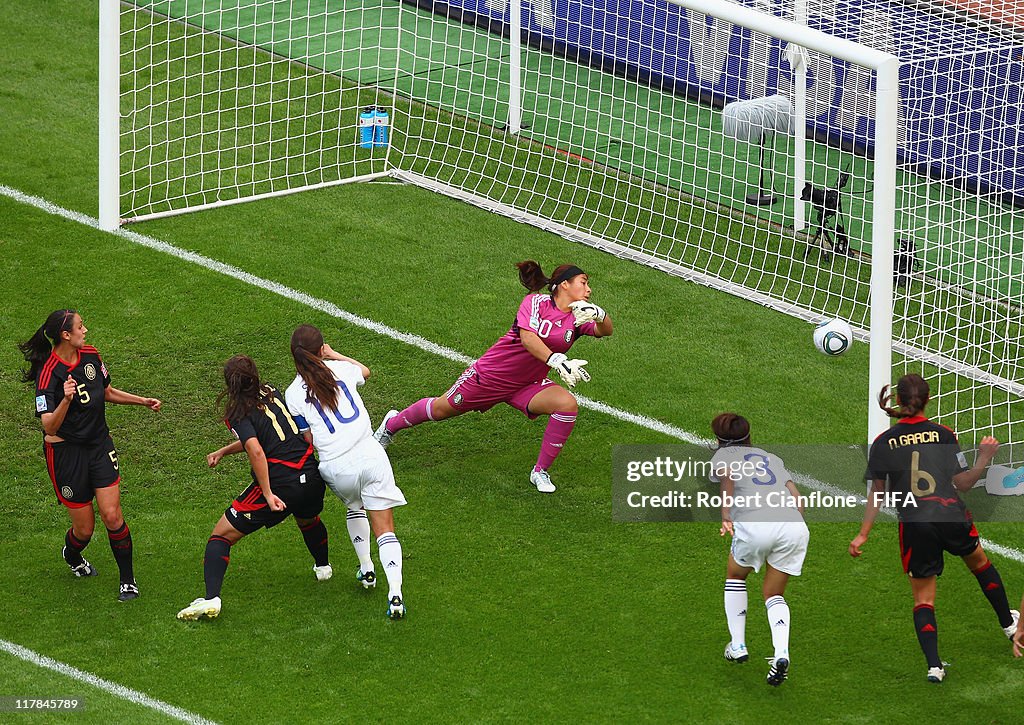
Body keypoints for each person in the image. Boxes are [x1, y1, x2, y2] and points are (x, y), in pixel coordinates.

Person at [374, 260, 613, 493]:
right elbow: (528, 338)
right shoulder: (535, 303)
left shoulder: (579, 317)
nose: (589, 289)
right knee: (440, 409)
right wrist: (555, 360)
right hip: (490, 376)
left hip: (527, 384)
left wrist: (600, 315)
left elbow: (605, 331)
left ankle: (540, 471)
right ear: (564, 285)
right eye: (583, 282)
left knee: (567, 404)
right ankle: (391, 425)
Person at [849, 373, 1019, 682]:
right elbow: (964, 484)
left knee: (924, 599)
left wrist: (863, 534)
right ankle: (1009, 624)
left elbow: (878, 493)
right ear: (927, 400)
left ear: (898, 401)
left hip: (916, 525)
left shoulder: (883, 443)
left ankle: (934, 666)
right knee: (981, 566)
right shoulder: (944, 434)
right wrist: (984, 456)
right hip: (951, 516)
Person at [19, 309, 161, 602]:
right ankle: (72, 556)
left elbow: (106, 391)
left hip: (99, 446)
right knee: (84, 529)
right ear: (65, 335)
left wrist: (142, 401)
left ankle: (128, 581)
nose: (86, 330)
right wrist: (66, 400)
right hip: (66, 454)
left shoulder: (91, 355)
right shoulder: (49, 374)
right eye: (81, 327)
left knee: (112, 515)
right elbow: (49, 425)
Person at [177, 355, 331, 621]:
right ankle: (323, 567)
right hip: (310, 473)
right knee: (307, 518)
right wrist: (224, 451)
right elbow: (268, 434)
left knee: (221, 536)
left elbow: (256, 449)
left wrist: (269, 494)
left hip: (282, 482)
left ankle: (211, 598)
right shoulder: (271, 390)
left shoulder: (238, 411)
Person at [285, 325, 408, 620]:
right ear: (321, 350)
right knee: (385, 529)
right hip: (370, 454)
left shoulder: (292, 394)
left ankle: (367, 568)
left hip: (335, 466)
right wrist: (332, 354)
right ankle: (395, 595)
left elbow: (308, 439)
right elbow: (364, 371)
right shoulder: (340, 369)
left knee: (354, 506)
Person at [710, 413, 809, 687]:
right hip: (793, 526)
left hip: (755, 525)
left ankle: (738, 645)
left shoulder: (721, 458)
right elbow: (797, 499)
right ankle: (781, 653)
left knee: (735, 576)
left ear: (719, 439)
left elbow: (727, 477)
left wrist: (725, 513)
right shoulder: (772, 458)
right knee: (773, 594)